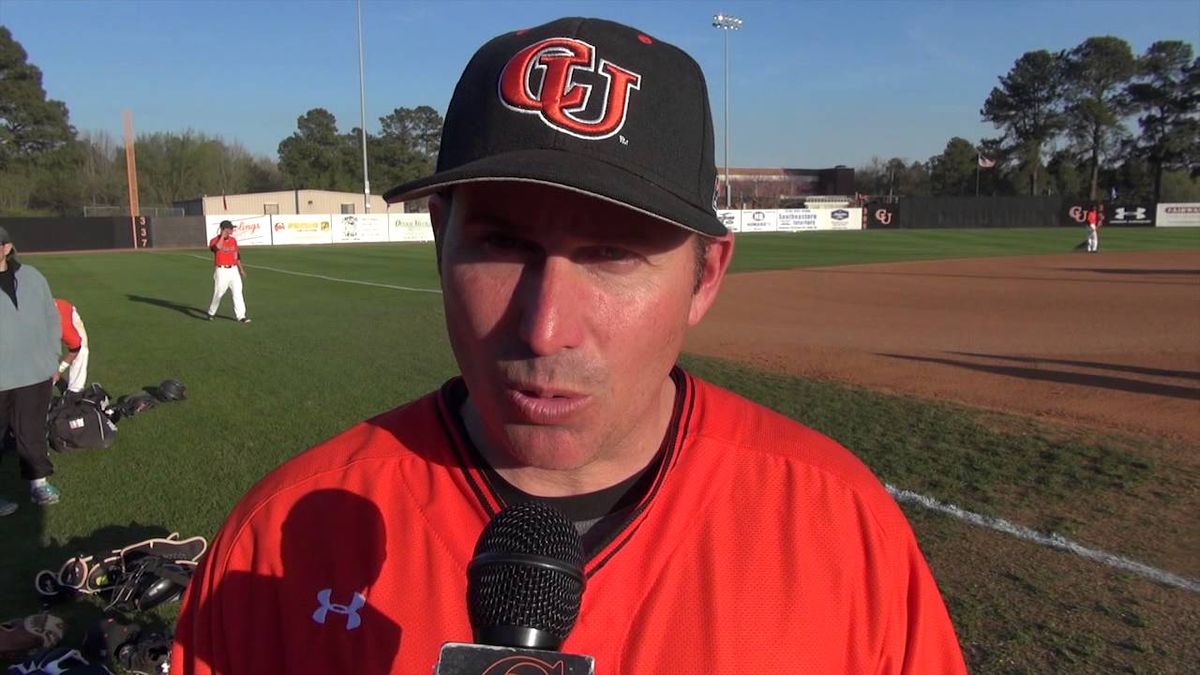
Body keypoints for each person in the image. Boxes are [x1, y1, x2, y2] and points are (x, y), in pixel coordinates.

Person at [172, 17, 966, 674]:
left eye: (614, 254)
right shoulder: (275, 544)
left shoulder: (845, 530)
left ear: (705, 276)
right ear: (439, 237)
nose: (545, 327)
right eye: (502, 244)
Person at [0, 226, 63, 515]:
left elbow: (51, 318)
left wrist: (52, 357)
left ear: (7, 248)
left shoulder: (33, 277)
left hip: (34, 373)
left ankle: (38, 484)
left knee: (31, 431)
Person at [206, 220, 250, 323]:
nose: (232, 230)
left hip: (233, 270)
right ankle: (211, 312)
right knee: (219, 293)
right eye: (230, 228)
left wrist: (241, 269)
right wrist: (222, 236)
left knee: (238, 292)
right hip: (221, 270)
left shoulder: (233, 240)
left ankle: (241, 316)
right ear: (224, 229)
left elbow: (236, 255)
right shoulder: (214, 240)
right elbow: (216, 248)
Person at [53, 298, 89, 393]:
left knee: (82, 351)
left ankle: (74, 392)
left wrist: (60, 370)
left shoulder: (64, 328)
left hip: (67, 311)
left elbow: (76, 348)